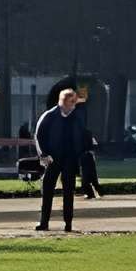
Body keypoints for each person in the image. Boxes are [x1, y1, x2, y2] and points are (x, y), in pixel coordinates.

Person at [31, 84, 97, 234]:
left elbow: (83, 133)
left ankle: (68, 223)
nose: (73, 106)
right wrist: (44, 155)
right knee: (47, 191)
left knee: (69, 192)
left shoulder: (76, 117)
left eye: (74, 102)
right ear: (63, 102)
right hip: (52, 159)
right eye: (71, 102)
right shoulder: (49, 116)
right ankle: (44, 222)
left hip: (70, 159)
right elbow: (39, 136)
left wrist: (87, 147)